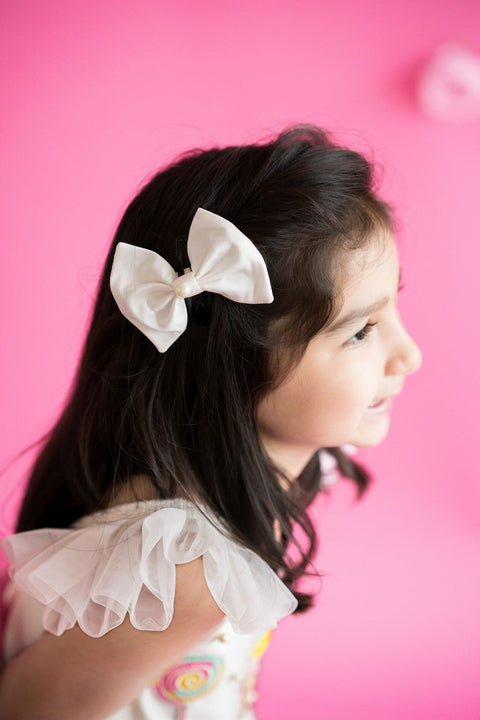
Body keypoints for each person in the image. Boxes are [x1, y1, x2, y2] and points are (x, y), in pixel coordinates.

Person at [0, 125, 421, 719]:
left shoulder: (273, 475)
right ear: (235, 364)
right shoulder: (182, 567)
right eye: (361, 331)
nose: (410, 356)